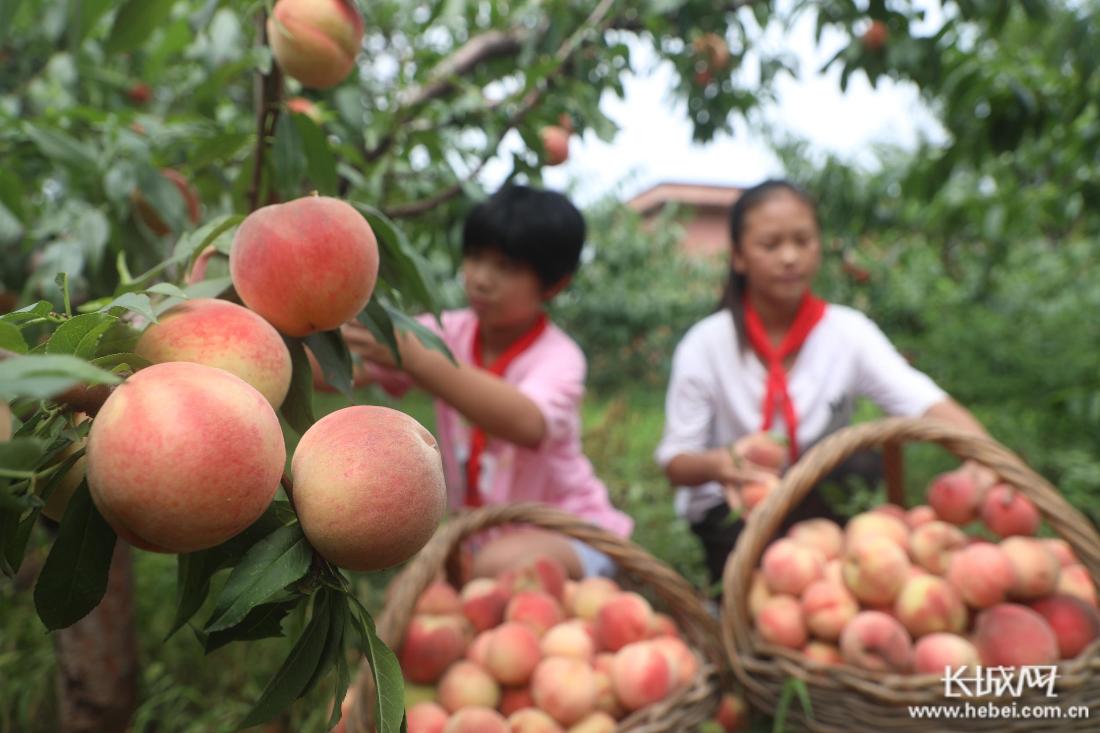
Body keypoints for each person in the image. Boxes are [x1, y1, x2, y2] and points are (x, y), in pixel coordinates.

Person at [654, 179, 992, 588]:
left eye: (803, 240)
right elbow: (676, 462)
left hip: (815, 504)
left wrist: (986, 458)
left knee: (859, 461)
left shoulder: (847, 332)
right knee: (755, 602)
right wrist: (723, 464)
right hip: (733, 508)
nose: (790, 257)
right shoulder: (706, 344)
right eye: (771, 244)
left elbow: (920, 400)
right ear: (739, 258)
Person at [341, 184, 632, 580]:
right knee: (422, 602)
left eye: (506, 267)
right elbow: (343, 370)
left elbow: (527, 422)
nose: (480, 279)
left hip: (571, 534)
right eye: (474, 258)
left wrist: (415, 357)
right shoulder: (448, 333)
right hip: (480, 539)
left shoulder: (558, 356)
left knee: (496, 568)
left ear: (554, 284)